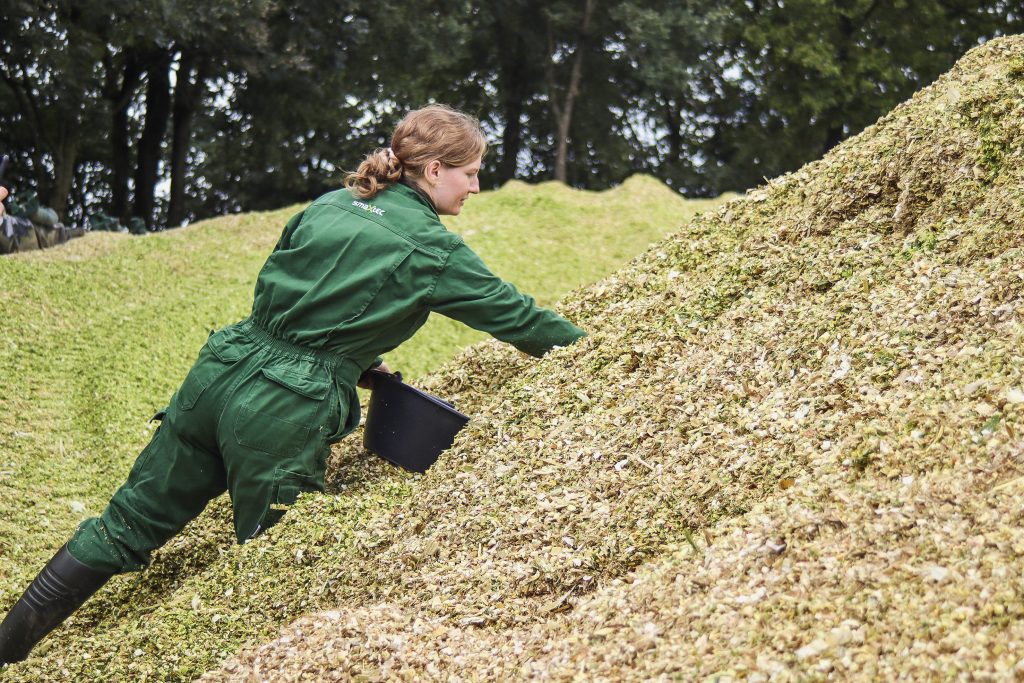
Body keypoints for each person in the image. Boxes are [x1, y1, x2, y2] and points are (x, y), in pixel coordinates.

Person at [0, 104, 587, 663]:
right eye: (471, 173)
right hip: (281, 409)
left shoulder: (330, 204)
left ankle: (7, 650)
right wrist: (593, 348)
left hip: (221, 370)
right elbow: (519, 317)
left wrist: (354, 362)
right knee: (278, 558)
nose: (476, 188)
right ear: (434, 170)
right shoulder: (432, 250)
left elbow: (294, 290)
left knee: (124, 524)